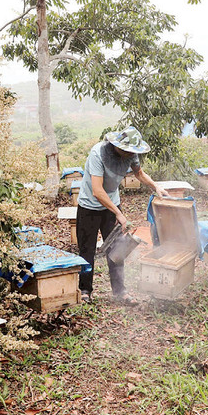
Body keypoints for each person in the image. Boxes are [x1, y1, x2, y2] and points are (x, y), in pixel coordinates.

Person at [75, 126, 169, 304]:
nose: (130, 155)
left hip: (111, 205)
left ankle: (120, 291)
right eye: (127, 151)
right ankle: (85, 290)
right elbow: (97, 190)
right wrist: (119, 213)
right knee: (86, 250)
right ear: (118, 146)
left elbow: (139, 173)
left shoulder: (131, 153)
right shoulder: (97, 154)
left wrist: (156, 186)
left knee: (116, 248)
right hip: (89, 207)